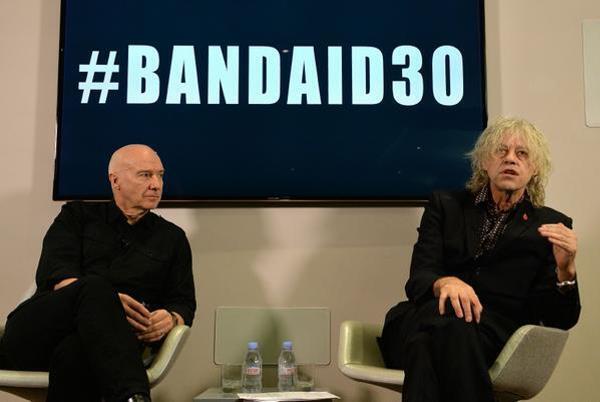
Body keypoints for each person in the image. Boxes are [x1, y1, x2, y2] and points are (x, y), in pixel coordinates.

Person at [379, 117, 580, 402]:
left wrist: (565, 270)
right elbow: (419, 278)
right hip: (421, 320)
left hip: (488, 336)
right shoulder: (445, 206)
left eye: (522, 153)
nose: (510, 158)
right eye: (501, 151)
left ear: (534, 168)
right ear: (484, 161)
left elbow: (560, 319)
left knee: (431, 342)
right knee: (448, 324)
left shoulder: (551, 226)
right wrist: (445, 282)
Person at [0, 144, 196, 402]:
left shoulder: (172, 238)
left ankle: (134, 398)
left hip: (100, 349)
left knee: (76, 354)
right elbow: (57, 276)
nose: (156, 184)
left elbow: (184, 302)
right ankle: (134, 395)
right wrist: (108, 301)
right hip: (35, 336)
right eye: (145, 175)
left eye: (160, 175)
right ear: (115, 180)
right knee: (95, 288)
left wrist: (171, 318)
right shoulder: (76, 215)